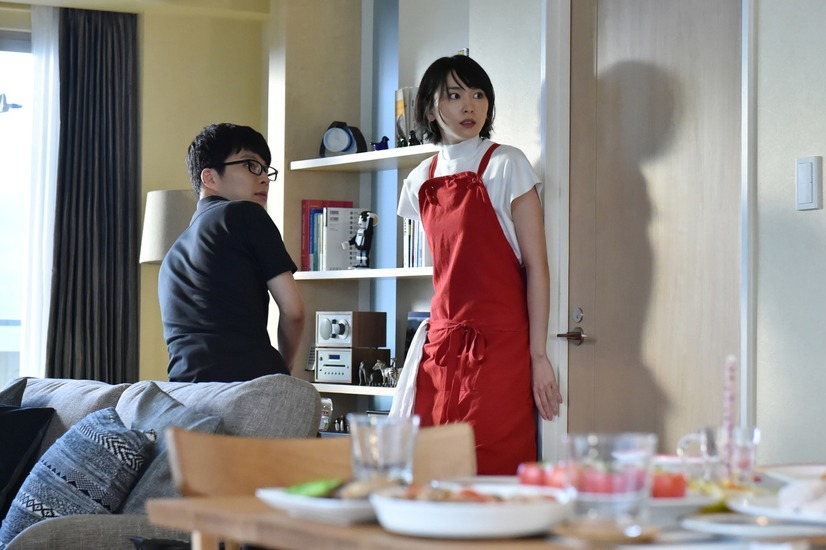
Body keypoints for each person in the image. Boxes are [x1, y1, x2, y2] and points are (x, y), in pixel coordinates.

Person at [396, 55, 563, 475]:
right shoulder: (419, 179)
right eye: (454, 96)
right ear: (430, 109)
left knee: (495, 464)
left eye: (478, 94)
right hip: (441, 347)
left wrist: (538, 354)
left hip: (500, 346)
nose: (469, 105)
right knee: (432, 469)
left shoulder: (508, 164)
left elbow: (537, 267)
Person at [159, 123, 305, 382]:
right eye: (250, 165)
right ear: (210, 178)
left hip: (184, 391)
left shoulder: (170, 258)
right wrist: (284, 369)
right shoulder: (246, 214)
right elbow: (294, 311)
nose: (263, 178)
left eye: (265, 169)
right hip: (247, 384)